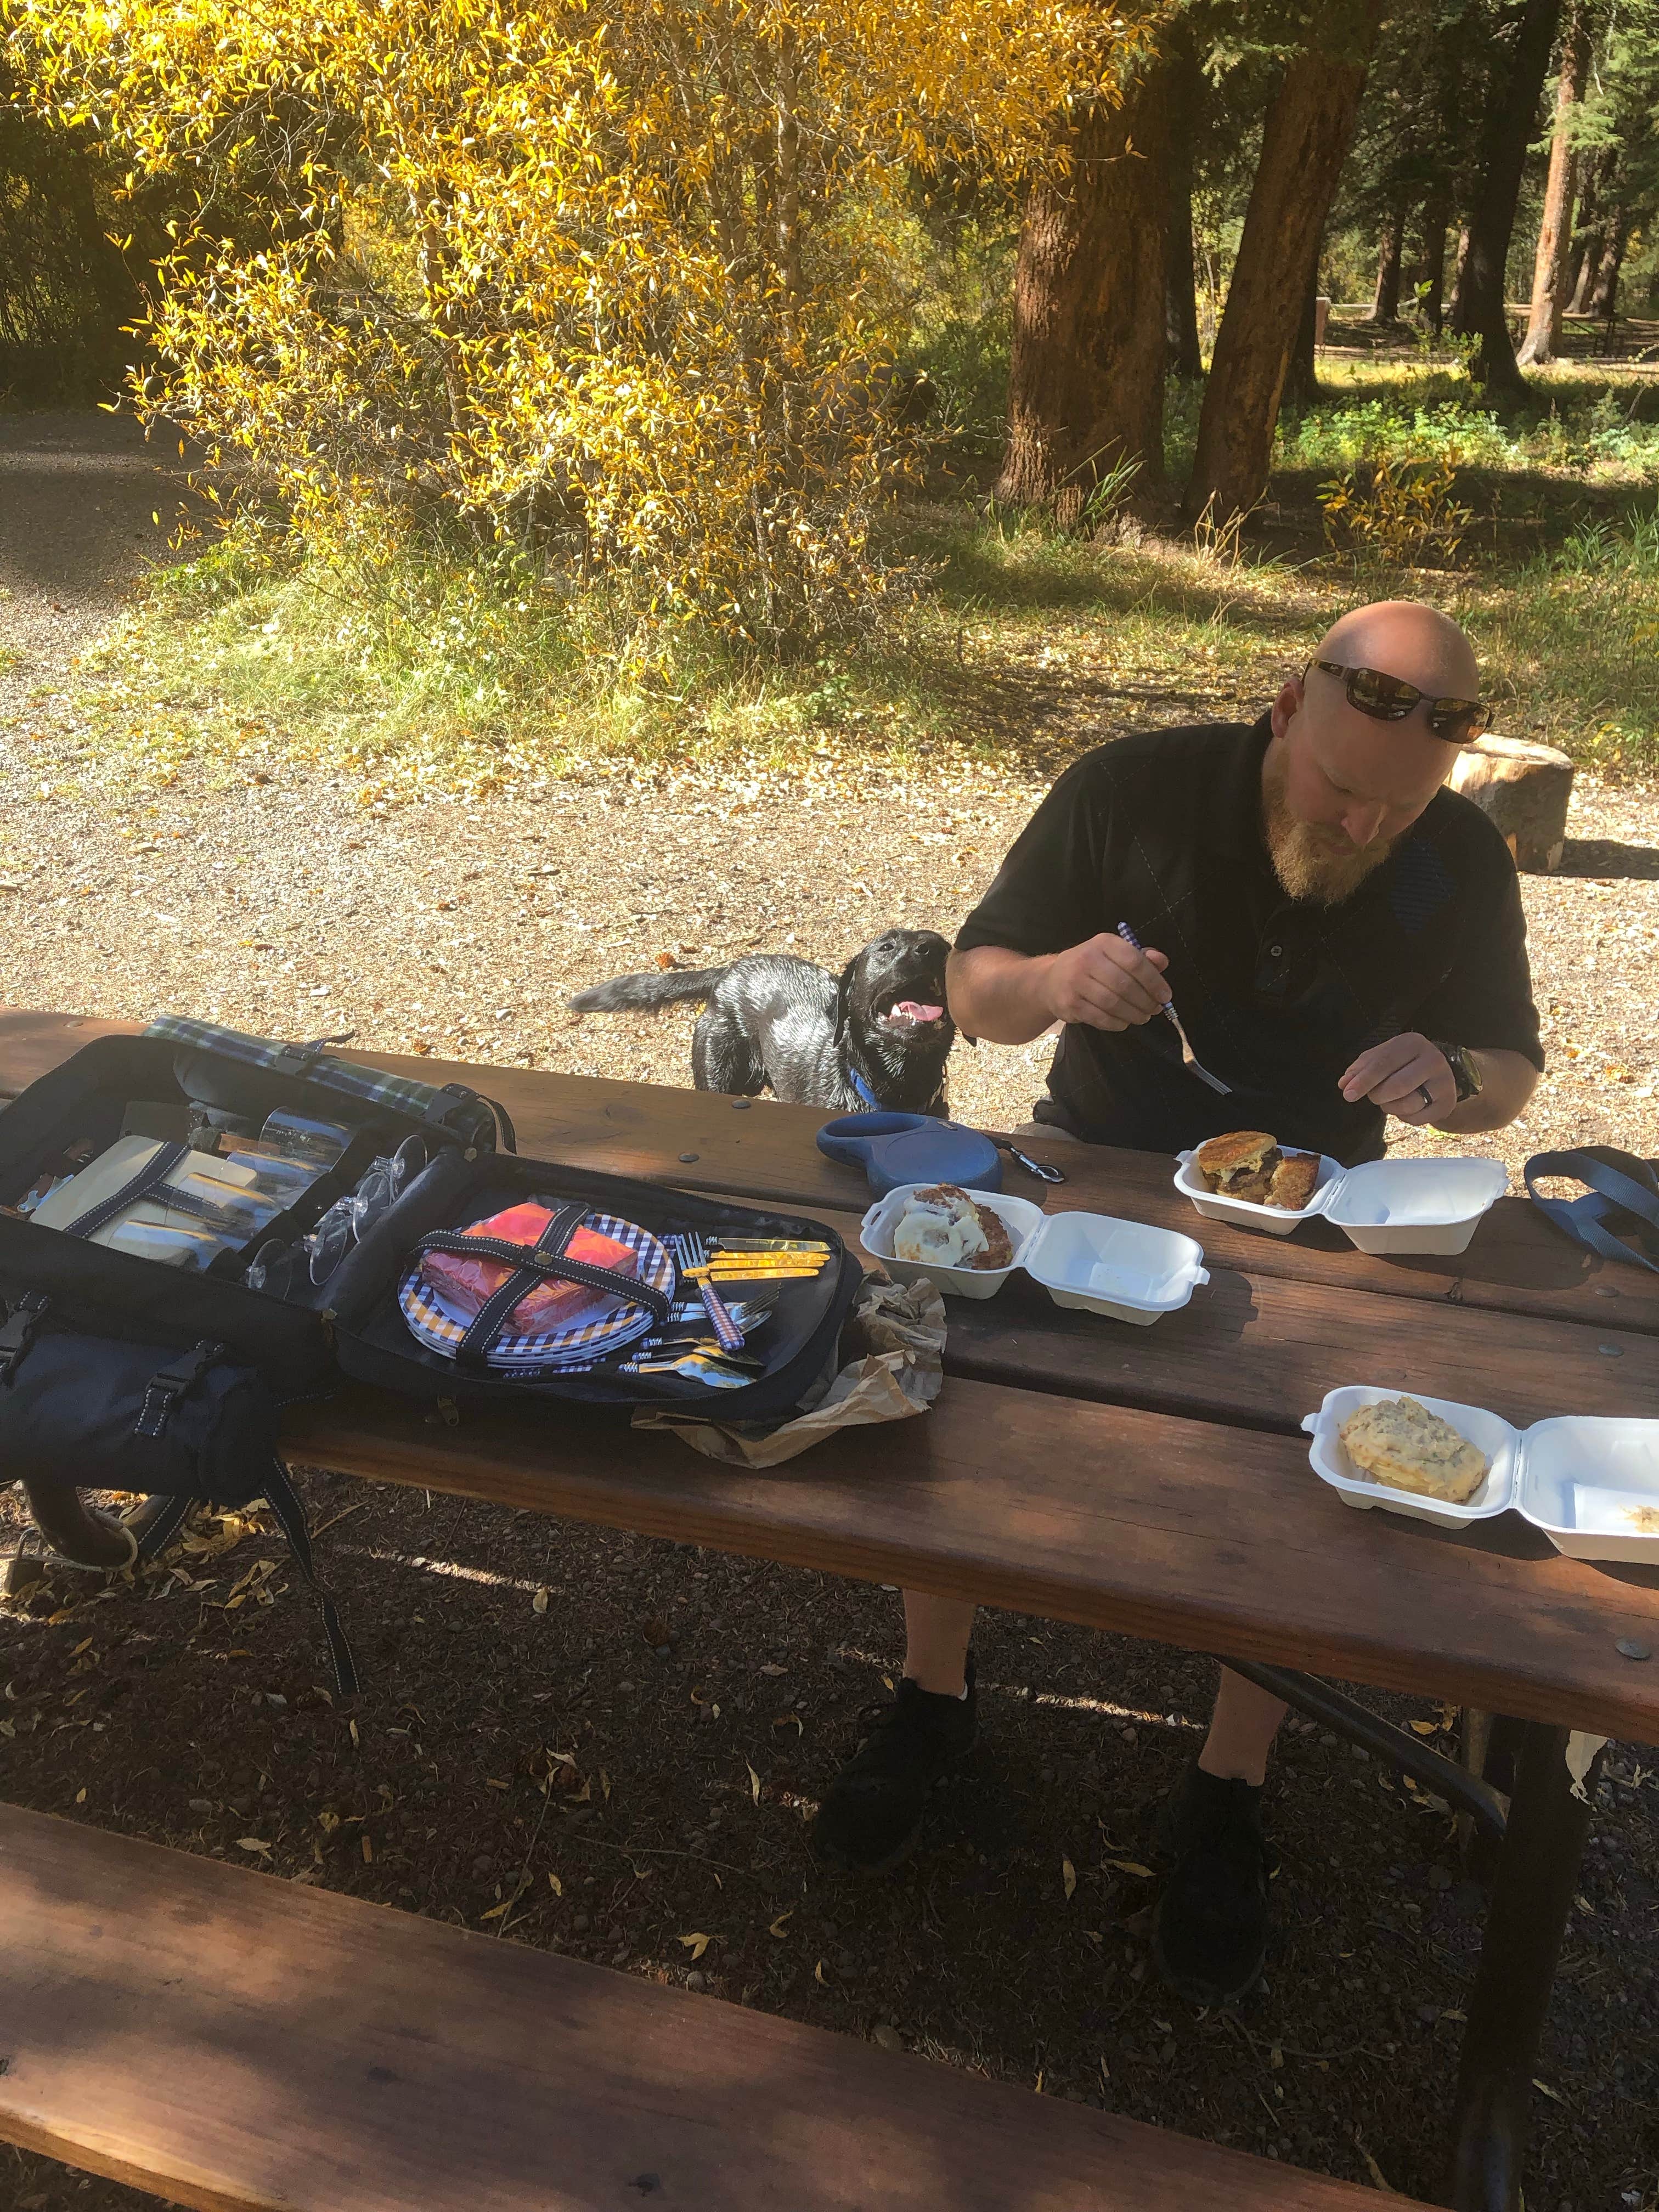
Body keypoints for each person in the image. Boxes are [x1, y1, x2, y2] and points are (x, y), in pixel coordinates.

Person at [810, 600, 1543, 2006]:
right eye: (1342, 790)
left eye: (1401, 807)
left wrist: (1452, 1074)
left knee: (1299, 1479)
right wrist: (1057, 981)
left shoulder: (1455, 855)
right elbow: (971, 993)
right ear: (1284, 708)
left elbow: (1510, 1069)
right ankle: (934, 1693)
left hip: (1324, 1213)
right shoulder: (1130, 790)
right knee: (959, 1416)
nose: (1365, 826)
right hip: (1093, 1170)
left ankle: (1227, 1785)